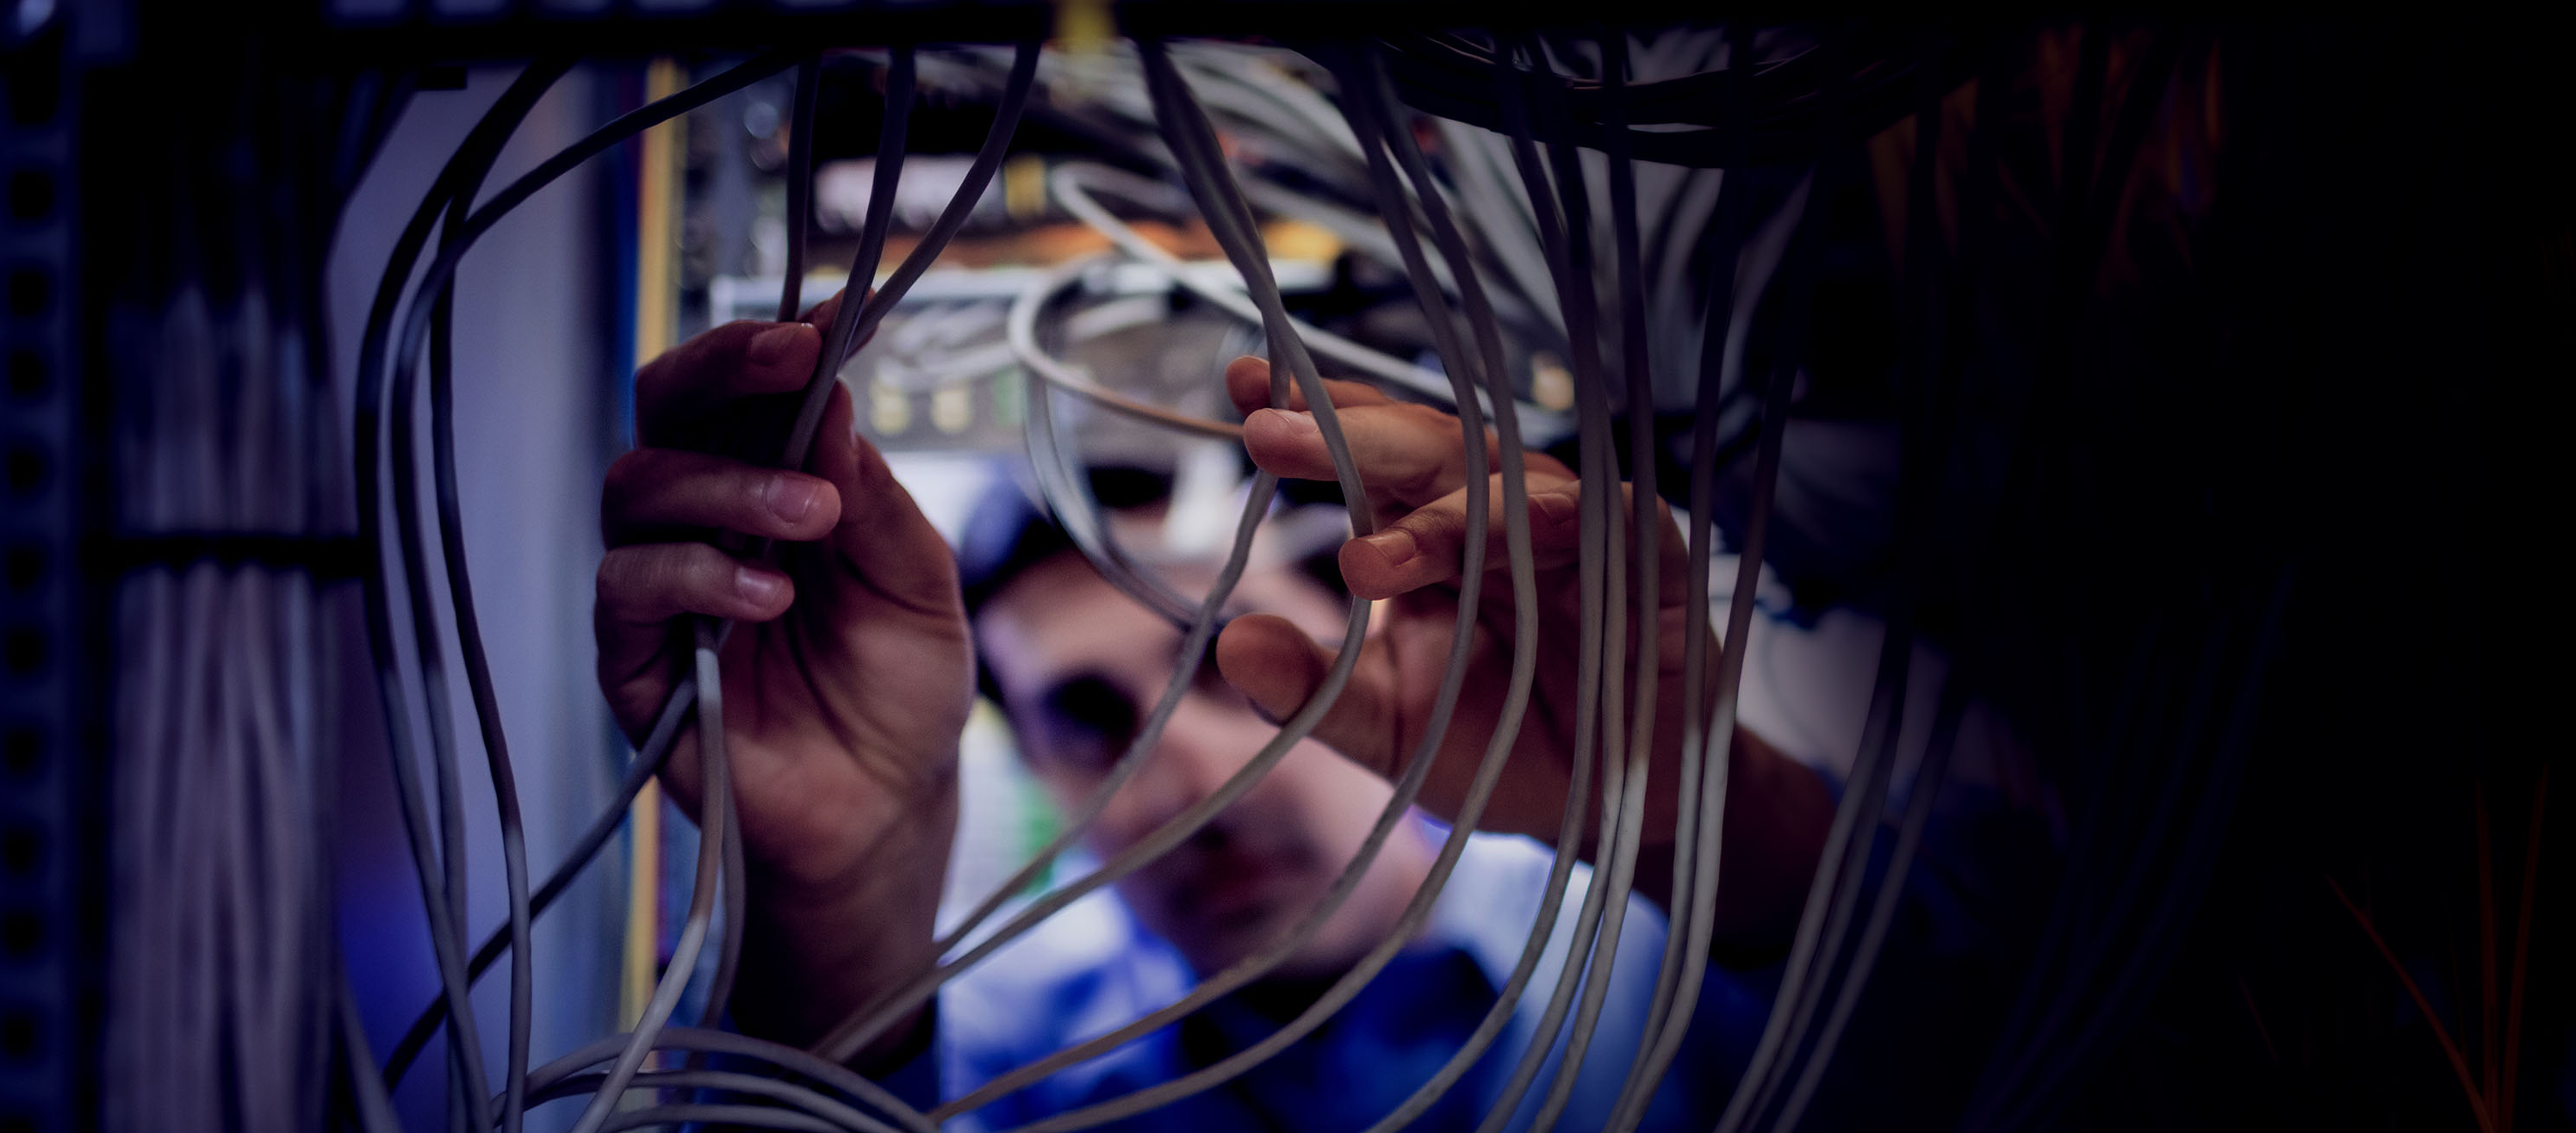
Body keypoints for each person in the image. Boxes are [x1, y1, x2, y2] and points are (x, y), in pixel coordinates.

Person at [593, 293, 1837, 1130]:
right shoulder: (1003, 1064)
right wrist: (830, 912)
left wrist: (1685, 817)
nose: (1183, 775)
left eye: (1235, 672)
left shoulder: (1666, 967)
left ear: (1405, 646)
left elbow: (1991, 1044)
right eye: (1087, 720)